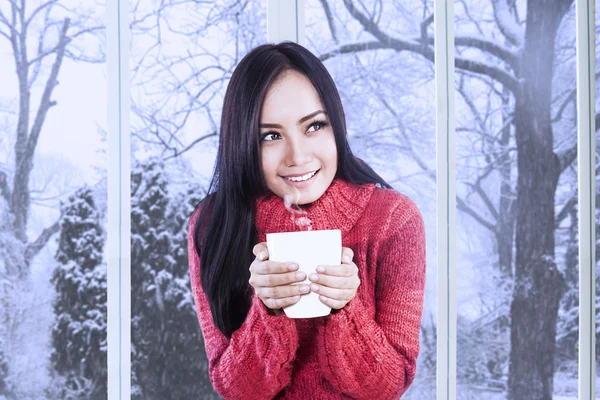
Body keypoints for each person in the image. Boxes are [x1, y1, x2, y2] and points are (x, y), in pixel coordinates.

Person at [188, 41, 426, 400]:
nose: (297, 156)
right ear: (242, 143)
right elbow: (236, 390)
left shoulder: (393, 221)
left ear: (336, 126)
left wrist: (347, 308)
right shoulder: (213, 225)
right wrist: (267, 311)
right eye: (270, 136)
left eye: (314, 126)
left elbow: (388, 386)